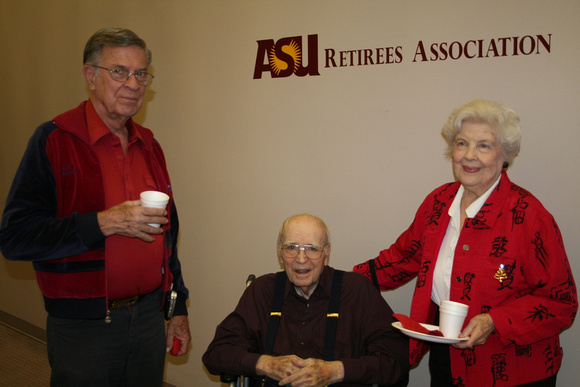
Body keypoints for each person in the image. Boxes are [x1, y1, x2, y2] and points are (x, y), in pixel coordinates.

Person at [0, 28, 191, 386]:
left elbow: (168, 238)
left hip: (149, 317)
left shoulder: (149, 145)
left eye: (141, 74)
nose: (133, 84)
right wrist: (102, 222)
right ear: (90, 76)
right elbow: (15, 237)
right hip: (84, 325)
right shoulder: (54, 140)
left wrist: (176, 308)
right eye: (119, 71)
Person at [353, 99, 577, 386]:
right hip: (447, 360)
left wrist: (493, 320)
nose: (469, 155)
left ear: (505, 154)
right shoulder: (438, 202)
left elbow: (561, 303)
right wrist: (338, 282)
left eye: (484, 145)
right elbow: (401, 258)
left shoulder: (530, 217)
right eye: (461, 144)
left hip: (514, 370)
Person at [203, 213, 410, 387]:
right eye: (291, 247)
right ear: (279, 251)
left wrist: (336, 370)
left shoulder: (356, 291)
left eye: (312, 248)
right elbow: (216, 354)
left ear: (326, 252)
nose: (301, 260)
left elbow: (396, 361)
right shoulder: (263, 291)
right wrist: (266, 365)